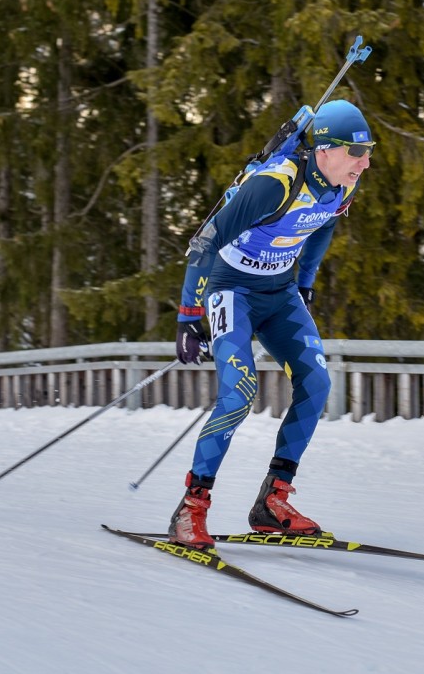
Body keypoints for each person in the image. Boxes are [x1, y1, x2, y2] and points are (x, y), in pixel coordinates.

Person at [169, 99, 374, 548]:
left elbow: (322, 224)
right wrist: (188, 318)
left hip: (278, 293)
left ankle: (272, 502)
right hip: (232, 291)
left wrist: (304, 283)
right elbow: (205, 243)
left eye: (368, 151)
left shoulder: (344, 184)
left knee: (316, 383)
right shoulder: (274, 184)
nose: (365, 161)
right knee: (239, 393)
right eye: (356, 153)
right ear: (323, 151)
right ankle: (192, 507)